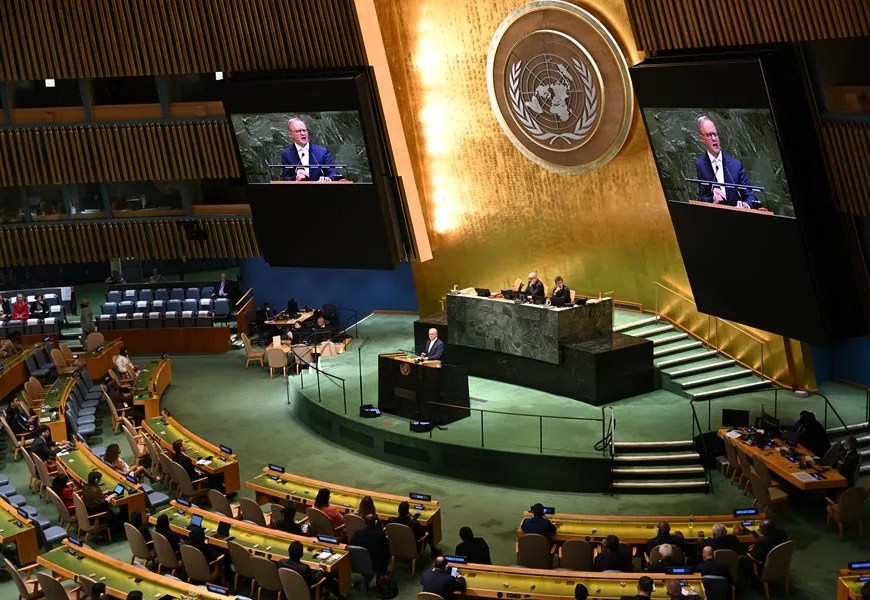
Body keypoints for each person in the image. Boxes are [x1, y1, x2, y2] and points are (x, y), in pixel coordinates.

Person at [694, 115, 757, 209]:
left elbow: (750, 196)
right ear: (702, 139)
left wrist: (745, 205)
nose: (714, 138)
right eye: (709, 135)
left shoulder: (736, 165)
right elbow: (702, 198)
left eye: (715, 134)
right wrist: (713, 199)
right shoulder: (701, 165)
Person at [278, 540, 344, 599]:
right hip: (307, 593)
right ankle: (340, 595)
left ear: (289, 551)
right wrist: (321, 569)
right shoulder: (304, 568)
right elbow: (314, 580)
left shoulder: (281, 562)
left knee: (316, 572)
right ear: (301, 554)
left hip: (288, 590)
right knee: (326, 575)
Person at [280, 118, 338, 182]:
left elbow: (333, 172)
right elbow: (286, 177)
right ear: (291, 134)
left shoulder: (322, 152)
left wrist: (328, 179)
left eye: (304, 130)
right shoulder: (287, 154)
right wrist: (296, 179)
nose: (302, 133)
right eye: (298, 131)